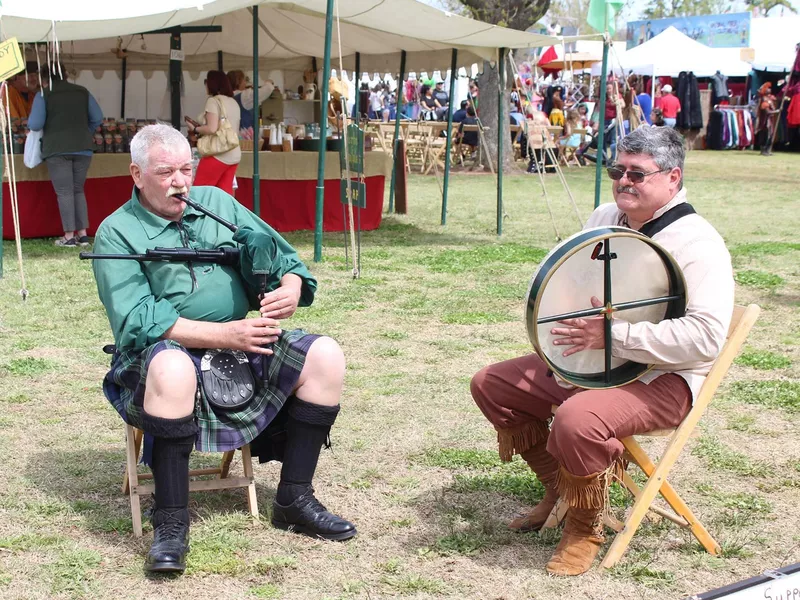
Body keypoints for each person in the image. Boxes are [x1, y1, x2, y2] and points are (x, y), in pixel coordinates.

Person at [91, 124, 357, 574]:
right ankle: (171, 525)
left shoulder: (216, 203)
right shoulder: (117, 232)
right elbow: (138, 320)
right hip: (160, 352)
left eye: (186, 170)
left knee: (326, 355)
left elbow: (286, 259)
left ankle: (294, 498)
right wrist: (227, 336)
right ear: (136, 174)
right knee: (174, 367)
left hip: (242, 340)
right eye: (166, 172)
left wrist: (289, 287)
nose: (180, 182)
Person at [470, 126, 733, 576]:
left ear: (673, 177)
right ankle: (562, 488)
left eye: (638, 173)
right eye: (617, 170)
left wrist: (617, 337)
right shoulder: (605, 216)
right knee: (493, 385)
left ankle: (583, 526)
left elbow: (706, 338)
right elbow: (574, 284)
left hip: (665, 378)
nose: (624, 181)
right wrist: (566, 348)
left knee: (578, 420)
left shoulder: (699, 242)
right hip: (595, 358)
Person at [28, 65, 103, 247]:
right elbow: (98, 117)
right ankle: (83, 235)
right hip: (83, 148)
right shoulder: (82, 91)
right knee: (78, 189)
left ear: (44, 79)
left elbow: (35, 124)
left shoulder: (44, 94)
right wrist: (85, 132)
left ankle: (69, 236)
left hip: (57, 148)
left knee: (64, 192)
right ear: (66, 75)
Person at [186, 71, 241, 196]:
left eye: (206, 82)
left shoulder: (213, 101)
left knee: (199, 193)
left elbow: (212, 129)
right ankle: (224, 216)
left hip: (218, 153)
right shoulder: (233, 102)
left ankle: (196, 216)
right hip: (233, 154)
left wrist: (195, 129)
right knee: (224, 195)